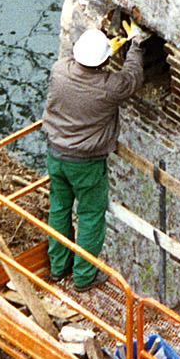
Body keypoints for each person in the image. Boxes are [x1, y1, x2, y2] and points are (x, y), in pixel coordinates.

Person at [43, 21, 146, 290]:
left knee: (59, 209)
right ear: (104, 61)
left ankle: (57, 267)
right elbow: (133, 78)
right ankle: (84, 277)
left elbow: (78, 60)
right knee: (90, 215)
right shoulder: (109, 87)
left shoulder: (59, 71)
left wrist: (103, 43)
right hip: (86, 164)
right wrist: (134, 45)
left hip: (55, 155)